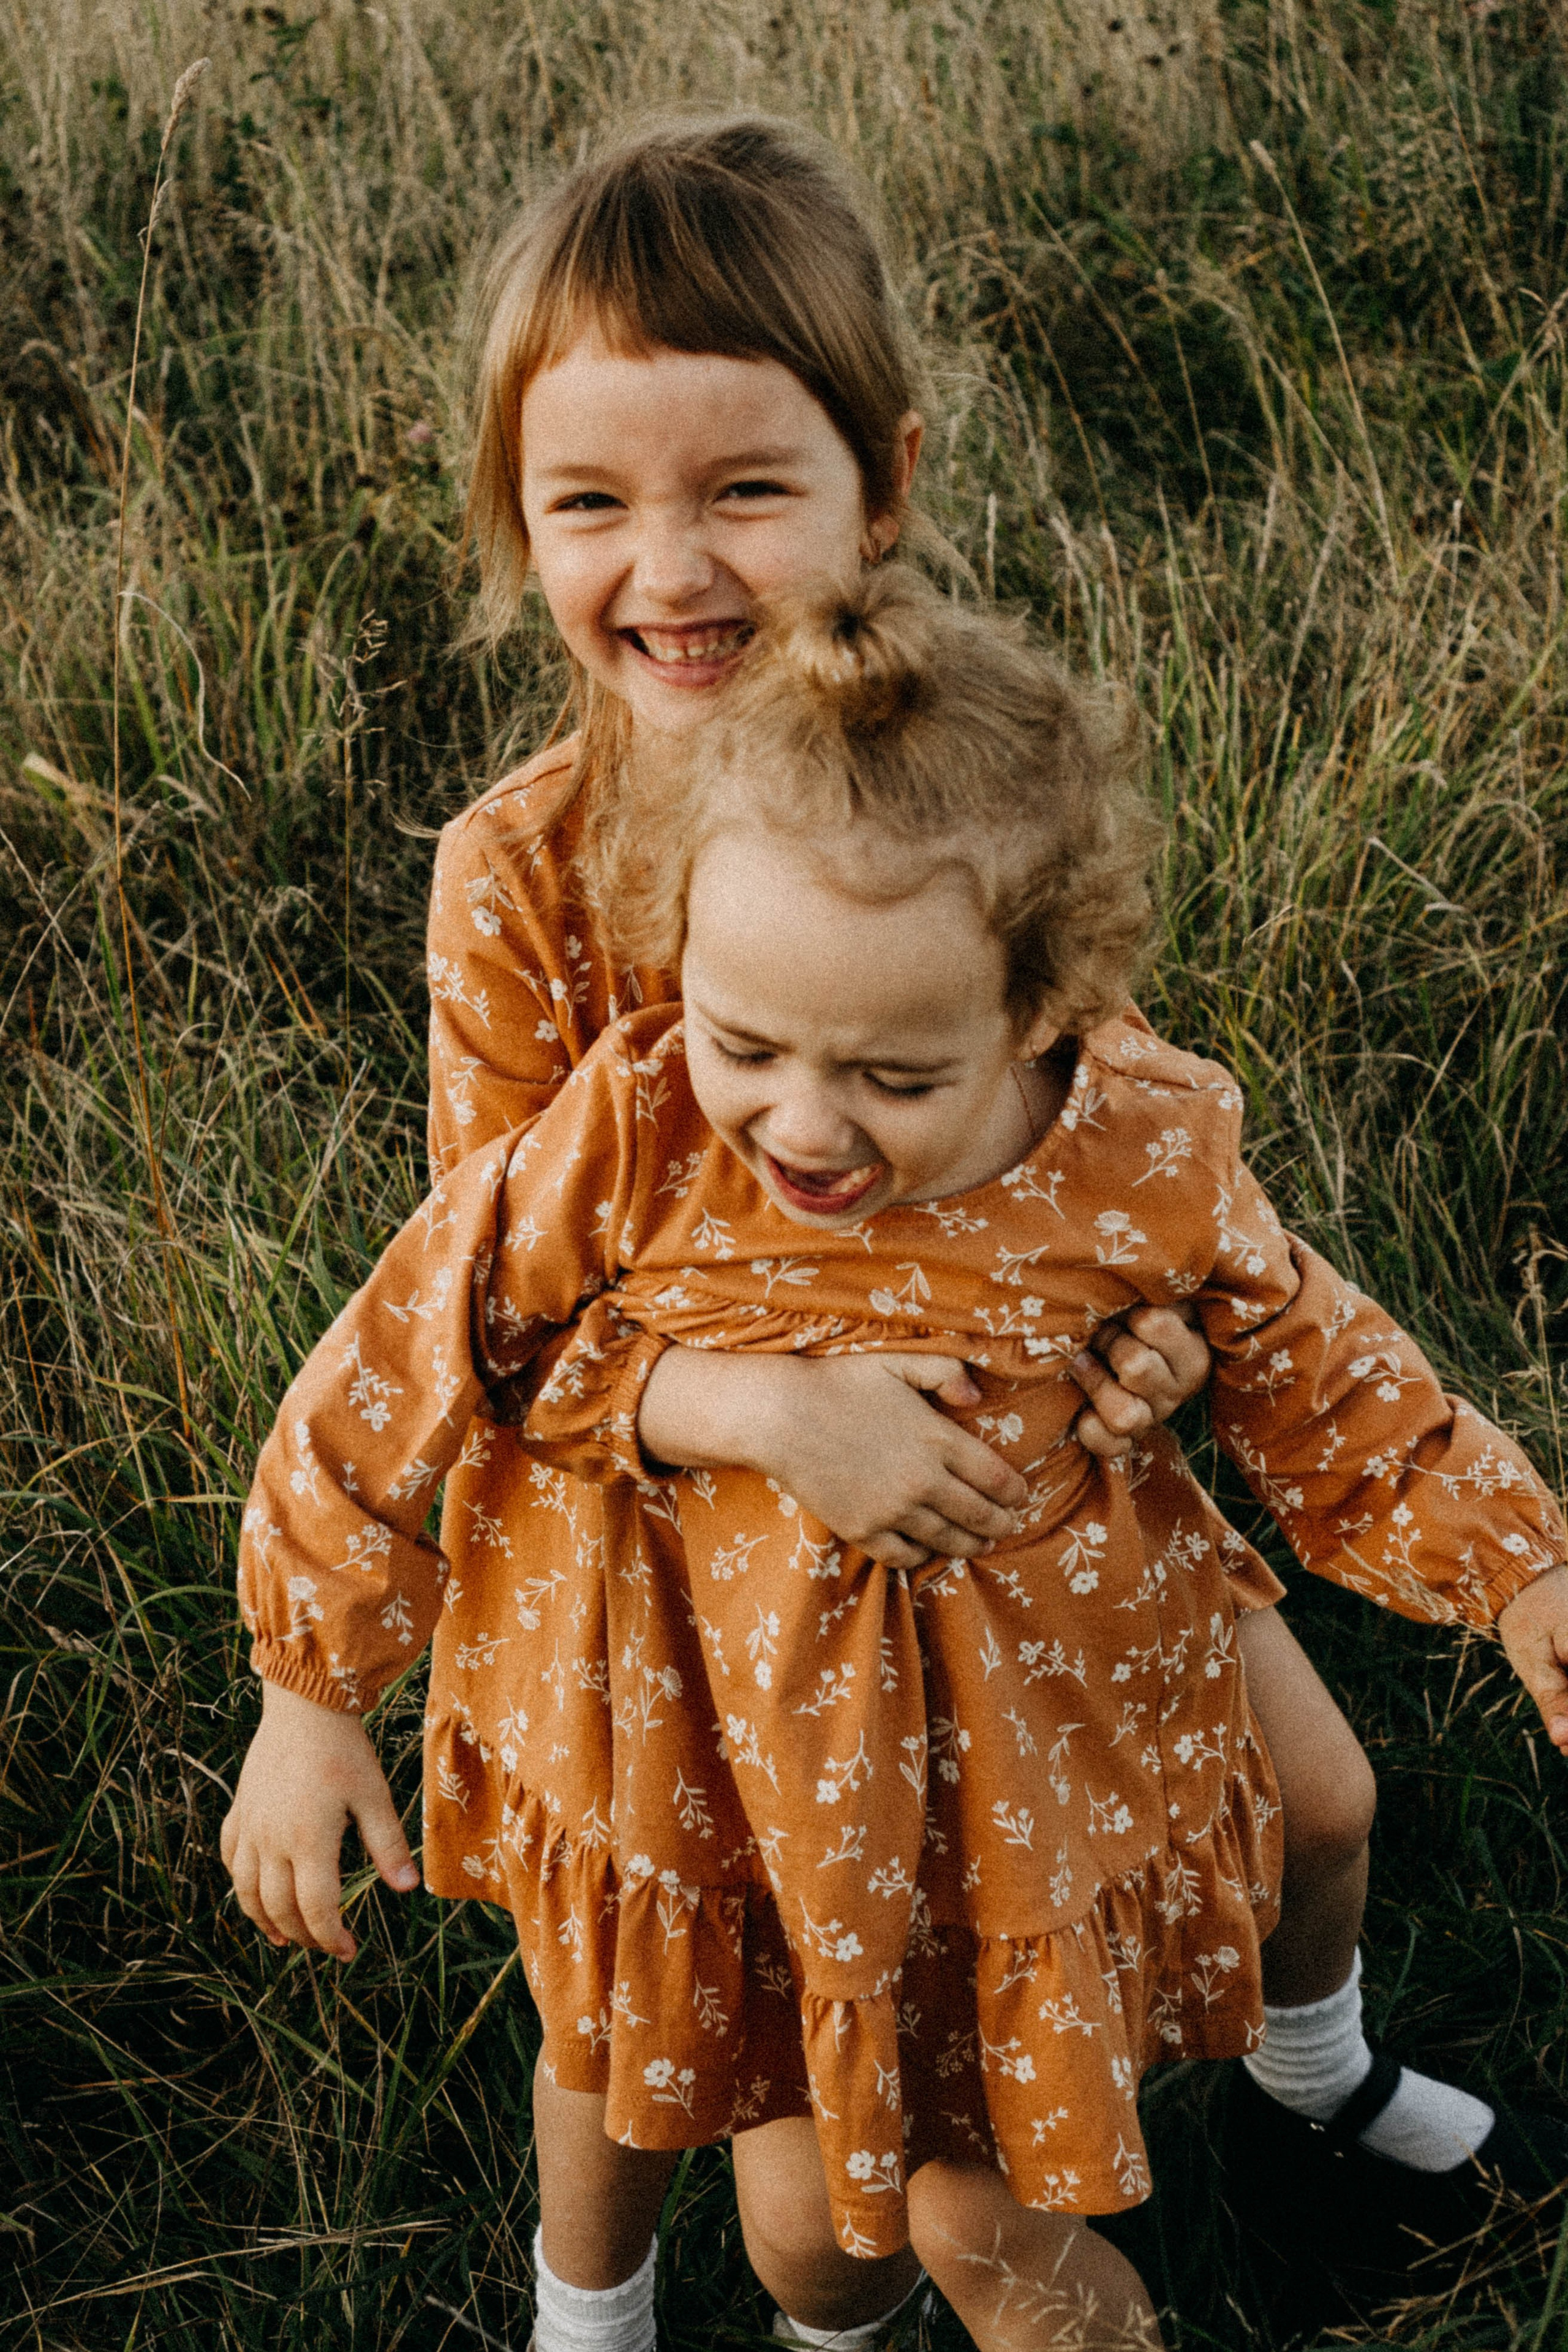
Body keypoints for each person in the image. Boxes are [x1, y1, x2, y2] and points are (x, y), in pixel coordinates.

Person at [221, 116, 1559, 2347]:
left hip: (1015, 1492)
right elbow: (464, 1322)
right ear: (514, 518)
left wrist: (1151, 1348)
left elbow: (1127, 1183)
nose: (674, 562)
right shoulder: (536, 907)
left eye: (746, 487)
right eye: (592, 500)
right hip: (661, 1557)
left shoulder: (969, 787)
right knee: (647, 1999)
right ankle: (593, 2306)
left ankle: (1309, 2084)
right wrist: (729, 1415)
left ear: (881, 484)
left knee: (1319, 1792)